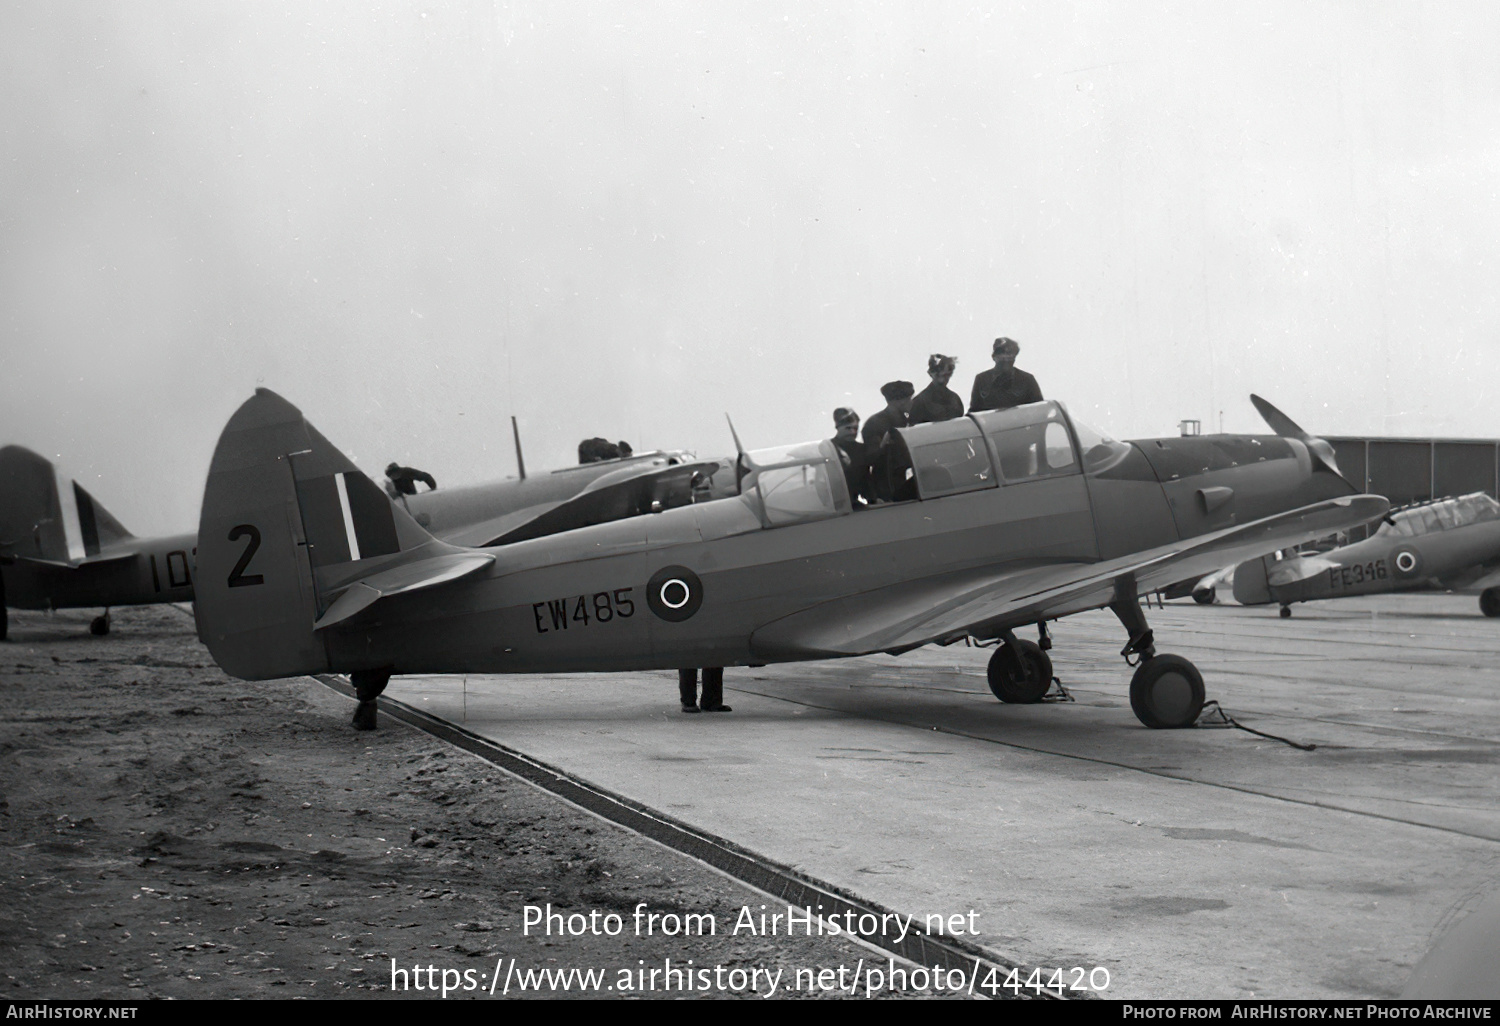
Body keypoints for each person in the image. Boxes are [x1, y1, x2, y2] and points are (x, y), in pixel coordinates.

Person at [862, 381, 914, 502]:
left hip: (905, 484)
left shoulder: (907, 421)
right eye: (909, 399)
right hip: (888, 491)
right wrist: (884, 444)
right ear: (899, 401)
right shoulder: (874, 424)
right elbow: (870, 457)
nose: (912, 403)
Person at [969, 337, 1043, 413]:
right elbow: (974, 411)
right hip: (991, 424)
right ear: (994, 356)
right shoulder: (982, 379)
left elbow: (1040, 411)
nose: (1006, 357)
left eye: (1010, 353)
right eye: (1001, 353)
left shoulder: (1027, 379)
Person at [831, 407, 874, 508]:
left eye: (855, 428)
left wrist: (873, 499)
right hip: (834, 504)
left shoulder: (861, 449)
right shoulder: (829, 448)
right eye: (848, 428)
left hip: (854, 503)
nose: (852, 432)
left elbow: (866, 478)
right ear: (838, 427)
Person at [907, 354, 963, 425]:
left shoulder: (955, 399)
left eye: (947, 375)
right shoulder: (919, 402)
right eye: (938, 374)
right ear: (931, 373)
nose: (943, 379)